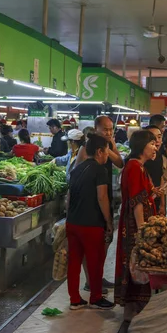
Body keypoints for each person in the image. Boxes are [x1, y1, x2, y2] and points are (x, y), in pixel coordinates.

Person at [66, 133, 115, 310]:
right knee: (95, 261)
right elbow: (102, 197)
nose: (108, 154)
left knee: (74, 262)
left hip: (72, 222)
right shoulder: (100, 170)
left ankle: (74, 299)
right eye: (107, 150)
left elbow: (69, 197)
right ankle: (95, 297)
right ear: (100, 151)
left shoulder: (77, 169)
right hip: (91, 224)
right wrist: (108, 221)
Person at [75, 116, 124, 291]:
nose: (109, 132)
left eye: (111, 129)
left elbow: (119, 162)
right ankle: (90, 281)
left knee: (105, 239)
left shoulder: (109, 146)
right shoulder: (86, 147)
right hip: (90, 199)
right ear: (96, 129)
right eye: (105, 129)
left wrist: (109, 146)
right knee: (91, 244)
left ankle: (98, 276)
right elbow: (76, 172)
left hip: (106, 194)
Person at [115, 130, 159, 321]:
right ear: (142, 146)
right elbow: (136, 202)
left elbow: (142, 196)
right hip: (134, 225)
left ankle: (133, 312)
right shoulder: (134, 167)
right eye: (152, 143)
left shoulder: (138, 166)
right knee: (135, 263)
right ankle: (132, 312)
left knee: (136, 264)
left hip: (138, 222)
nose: (155, 146)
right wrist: (142, 229)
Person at [143, 125, 164, 212]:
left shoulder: (159, 156)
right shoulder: (139, 160)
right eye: (152, 137)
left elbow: (161, 177)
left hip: (157, 200)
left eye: (159, 137)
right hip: (143, 203)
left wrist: (162, 204)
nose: (157, 140)